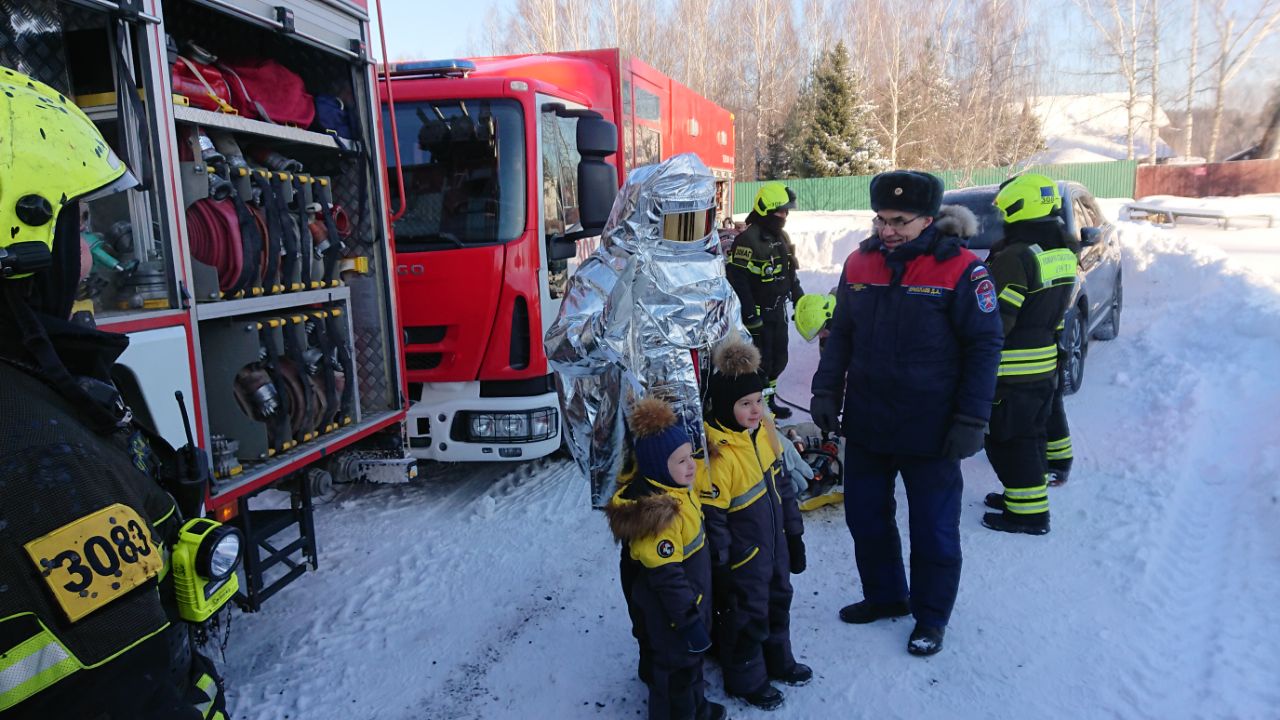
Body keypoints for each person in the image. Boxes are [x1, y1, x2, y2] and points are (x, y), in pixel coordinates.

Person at [0, 67, 227, 718]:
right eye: (76, 225)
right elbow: (130, 686)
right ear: (25, 238)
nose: (90, 260)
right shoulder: (39, 462)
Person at [809, 170, 1002, 656]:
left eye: (900, 220)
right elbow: (843, 335)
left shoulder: (962, 271)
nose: (887, 229)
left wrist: (972, 420)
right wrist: (826, 391)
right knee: (866, 518)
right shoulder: (858, 263)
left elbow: (984, 347)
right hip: (870, 420)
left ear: (929, 219)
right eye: (880, 219)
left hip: (933, 428)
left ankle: (931, 616)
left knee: (933, 530)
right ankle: (885, 596)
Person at [546, 153, 746, 508]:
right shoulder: (607, 274)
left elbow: (734, 341)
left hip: (712, 440)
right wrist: (606, 327)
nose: (693, 236)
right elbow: (562, 349)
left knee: (714, 542)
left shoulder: (709, 271)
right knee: (660, 551)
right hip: (645, 449)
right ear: (647, 220)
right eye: (681, 223)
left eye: (701, 221)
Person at [700, 336, 810, 710]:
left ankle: (779, 659)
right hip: (744, 558)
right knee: (746, 615)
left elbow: (783, 485)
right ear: (725, 406)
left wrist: (794, 533)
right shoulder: (719, 455)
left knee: (780, 599)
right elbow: (713, 521)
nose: (755, 410)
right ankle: (746, 677)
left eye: (759, 401)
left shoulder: (764, 434)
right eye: (745, 404)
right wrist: (721, 566)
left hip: (775, 546)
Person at [606, 397, 726, 720]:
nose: (692, 466)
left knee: (690, 667)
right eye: (682, 461)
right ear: (660, 468)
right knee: (674, 675)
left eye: (690, 457)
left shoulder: (680, 492)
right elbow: (667, 580)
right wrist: (688, 622)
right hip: (672, 618)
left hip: (690, 606)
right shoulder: (660, 519)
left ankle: (697, 709)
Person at [980, 174, 1080, 535]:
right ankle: (1021, 498)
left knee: (1008, 440)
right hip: (1044, 364)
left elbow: (998, 322)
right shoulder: (1061, 253)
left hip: (1012, 369)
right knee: (1033, 434)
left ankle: (1028, 515)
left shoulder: (1015, 258)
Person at [725, 182, 805, 420]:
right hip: (758, 316)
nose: (784, 216)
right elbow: (738, 282)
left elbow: (790, 271)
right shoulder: (747, 241)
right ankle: (759, 407)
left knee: (780, 359)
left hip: (778, 311)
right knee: (762, 362)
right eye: (780, 211)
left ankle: (769, 399)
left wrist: (798, 295)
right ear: (765, 210)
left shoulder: (782, 236)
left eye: (786, 211)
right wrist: (751, 316)